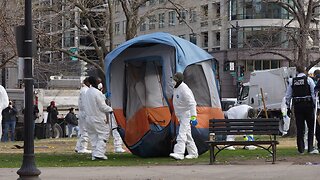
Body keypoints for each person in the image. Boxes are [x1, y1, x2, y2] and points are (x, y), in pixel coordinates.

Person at [285, 65, 319, 154]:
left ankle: (301, 149)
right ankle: (310, 148)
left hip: (298, 106)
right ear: (304, 72)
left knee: (300, 128)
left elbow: (288, 96)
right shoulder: (308, 80)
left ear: (296, 72)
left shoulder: (292, 81)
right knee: (311, 127)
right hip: (308, 105)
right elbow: (313, 94)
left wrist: (288, 106)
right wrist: (315, 105)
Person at [169, 72, 199, 160]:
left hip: (186, 114)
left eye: (174, 80)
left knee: (181, 133)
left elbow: (192, 103)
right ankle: (193, 153)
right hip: (181, 115)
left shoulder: (184, 89)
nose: (172, 81)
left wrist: (193, 116)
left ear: (178, 80)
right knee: (187, 134)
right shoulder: (176, 88)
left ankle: (179, 153)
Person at [84, 76, 113, 160]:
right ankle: (99, 153)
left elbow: (95, 101)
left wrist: (104, 96)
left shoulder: (88, 92)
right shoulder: (97, 93)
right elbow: (102, 106)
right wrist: (111, 109)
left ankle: (95, 154)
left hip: (88, 118)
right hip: (98, 117)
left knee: (94, 137)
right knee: (104, 134)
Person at [97, 78, 126, 153]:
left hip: (112, 111)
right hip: (112, 112)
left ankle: (117, 146)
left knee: (115, 129)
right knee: (115, 129)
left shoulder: (98, 94)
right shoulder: (98, 94)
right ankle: (117, 146)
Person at [75, 77, 91, 154]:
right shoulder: (85, 91)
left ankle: (78, 146)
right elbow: (86, 103)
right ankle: (83, 147)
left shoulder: (83, 90)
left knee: (82, 130)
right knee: (85, 130)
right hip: (85, 112)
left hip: (82, 112)